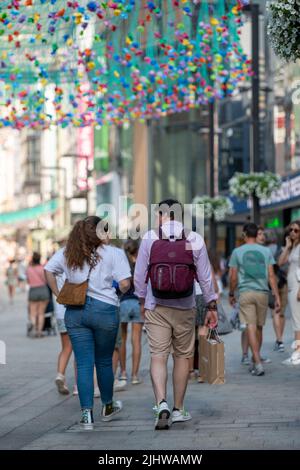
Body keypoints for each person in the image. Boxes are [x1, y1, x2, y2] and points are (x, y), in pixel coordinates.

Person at [134, 199, 218, 430]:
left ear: (160, 214)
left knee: (158, 356)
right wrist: (211, 305)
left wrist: (143, 299)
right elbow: (205, 277)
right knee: (182, 356)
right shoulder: (194, 239)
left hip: (156, 305)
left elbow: (139, 274)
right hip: (185, 305)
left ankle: (161, 402)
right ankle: (178, 409)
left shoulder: (150, 238)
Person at [45, 216, 131, 430]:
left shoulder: (68, 252)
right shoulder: (114, 253)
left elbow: (48, 270)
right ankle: (108, 407)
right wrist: (117, 290)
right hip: (105, 310)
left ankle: (86, 415)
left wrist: (58, 293)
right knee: (103, 361)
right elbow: (125, 284)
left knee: (84, 363)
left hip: (75, 311)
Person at [229, 223, 280, 376]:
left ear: (244, 234)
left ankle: (257, 362)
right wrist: (276, 295)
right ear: (256, 234)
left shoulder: (237, 251)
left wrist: (231, 293)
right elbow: (271, 276)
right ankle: (254, 358)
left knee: (250, 326)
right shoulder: (265, 251)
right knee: (259, 327)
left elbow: (233, 276)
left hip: (246, 292)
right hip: (263, 293)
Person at [119, 239, 143, 386]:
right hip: (138, 302)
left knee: (122, 339)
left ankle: (122, 373)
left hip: (123, 302)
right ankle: (134, 375)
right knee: (137, 341)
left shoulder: (123, 264)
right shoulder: (141, 263)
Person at [278, 220, 300, 364]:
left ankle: (298, 353)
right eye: (291, 230)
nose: (292, 232)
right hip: (292, 286)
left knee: (297, 321)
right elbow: (280, 262)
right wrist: (287, 246)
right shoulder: (293, 247)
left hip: (297, 286)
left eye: (296, 230)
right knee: (296, 319)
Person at [27, 252, 50, 338]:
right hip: (43, 290)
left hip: (33, 290)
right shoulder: (42, 268)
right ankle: (39, 332)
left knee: (33, 313)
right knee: (41, 313)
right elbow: (46, 280)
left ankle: (33, 326)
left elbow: (28, 281)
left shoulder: (29, 269)